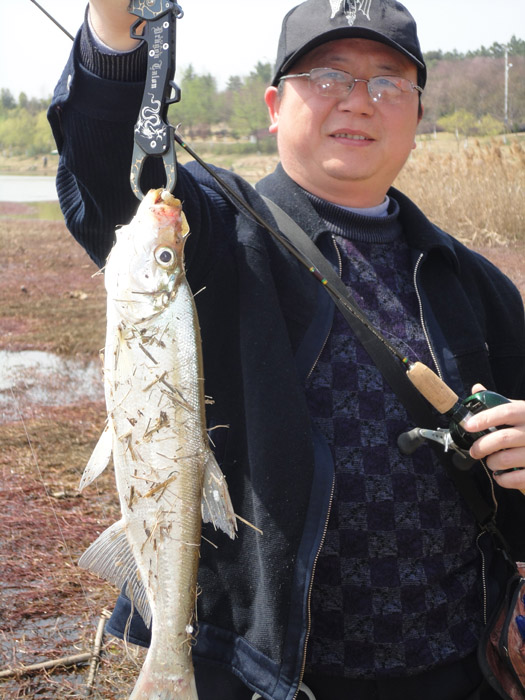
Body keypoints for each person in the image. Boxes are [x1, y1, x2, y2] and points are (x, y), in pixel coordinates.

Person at [48, 1, 525, 698]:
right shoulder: (213, 231)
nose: (358, 100)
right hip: (261, 675)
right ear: (274, 106)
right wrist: (118, 34)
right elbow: (111, 168)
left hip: (461, 666)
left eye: (388, 81)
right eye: (328, 76)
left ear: (418, 114)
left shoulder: (479, 285)